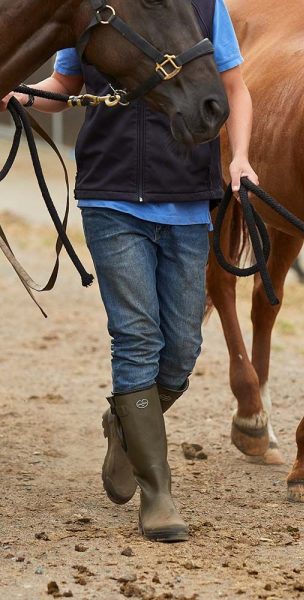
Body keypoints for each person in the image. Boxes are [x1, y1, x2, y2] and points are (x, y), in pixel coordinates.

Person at [1, 0, 257, 543]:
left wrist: (239, 157)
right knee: (137, 337)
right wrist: (21, 93)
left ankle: (125, 424)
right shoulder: (95, 8)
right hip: (112, 195)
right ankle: (157, 493)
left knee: (182, 348)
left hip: (188, 198)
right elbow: (67, 82)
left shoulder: (206, 5)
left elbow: (234, 86)